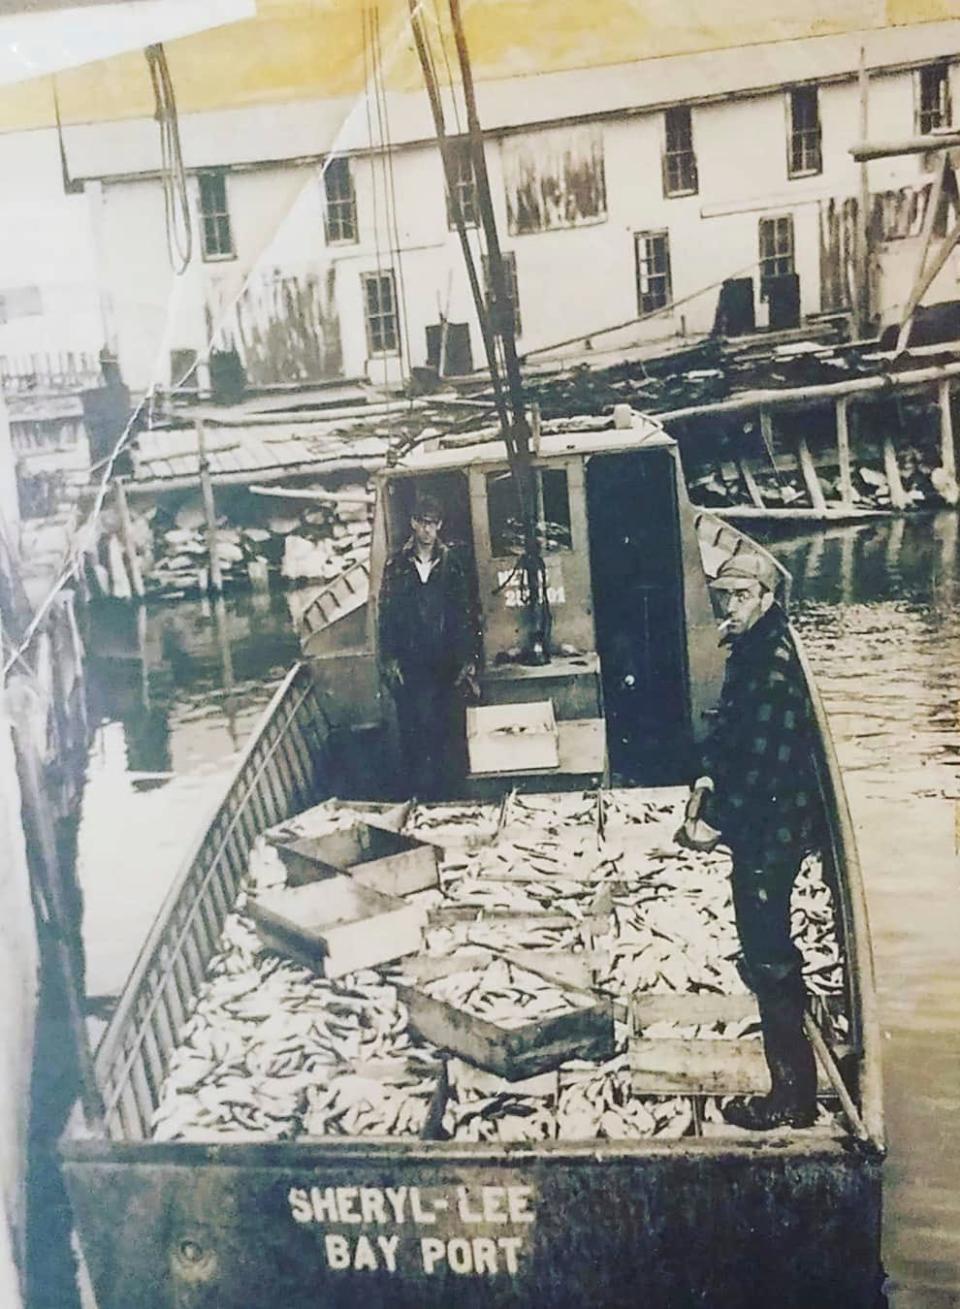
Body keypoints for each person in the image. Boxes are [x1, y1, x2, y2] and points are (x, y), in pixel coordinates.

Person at [677, 552, 822, 1131]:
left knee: (770, 961)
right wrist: (709, 775)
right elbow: (732, 733)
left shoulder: (773, 667)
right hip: (762, 830)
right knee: (766, 956)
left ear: (764, 597)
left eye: (737, 598)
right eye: (722, 599)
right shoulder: (752, 650)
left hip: (772, 836)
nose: (727, 608)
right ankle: (794, 1078)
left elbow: (764, 774)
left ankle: (792, 1100)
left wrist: (715, 825)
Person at [377, 492, 479, 800]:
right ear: (412, 524)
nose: (427, 530)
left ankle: (455, 797)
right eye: (422, 523)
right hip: (412, 662)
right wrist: (390, 658)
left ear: (440, 526)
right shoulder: (396, 565)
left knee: (449, 731)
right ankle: (421, 798)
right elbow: (387, 613)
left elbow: (465, 612)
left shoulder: (452, 564)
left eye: (433, 524)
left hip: (446, 663)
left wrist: (467, 659)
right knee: (415, 730)